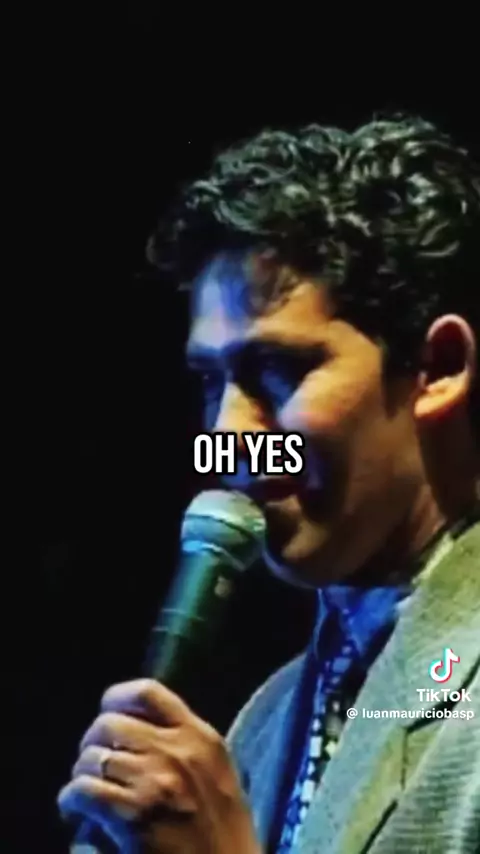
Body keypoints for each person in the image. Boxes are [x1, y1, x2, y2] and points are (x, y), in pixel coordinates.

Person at [59, 114, 480, 853]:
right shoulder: (264, 721)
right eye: (211, 380)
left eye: (279, 369)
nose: (229, 435)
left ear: (436, 368)